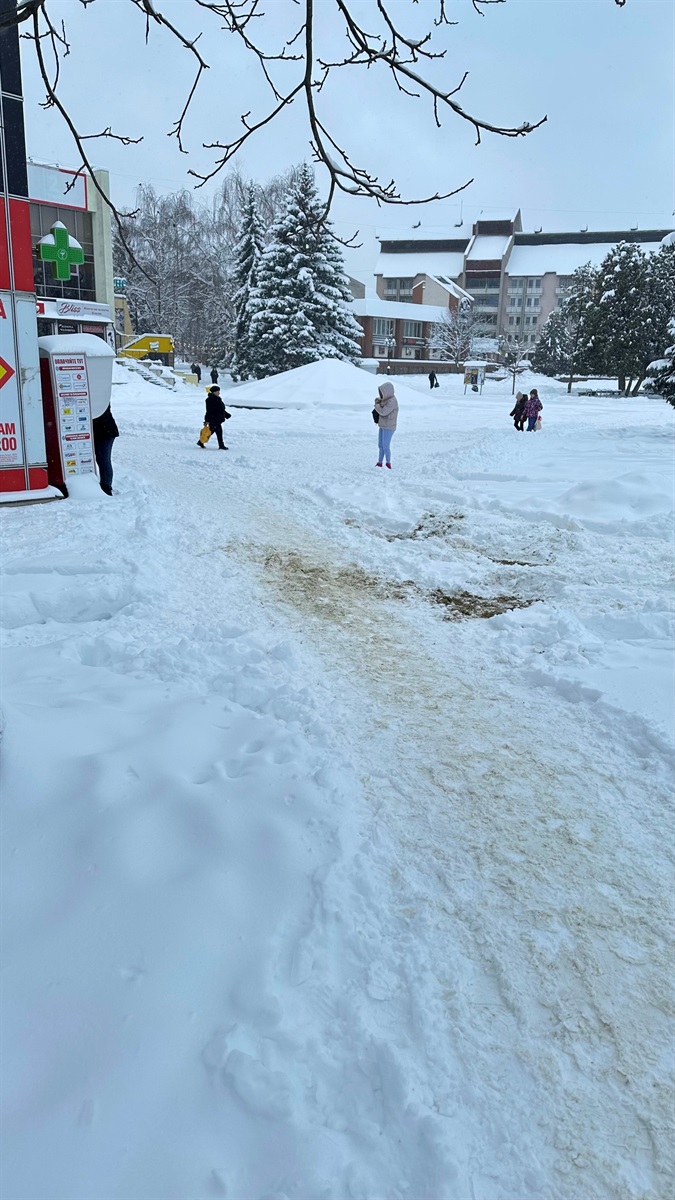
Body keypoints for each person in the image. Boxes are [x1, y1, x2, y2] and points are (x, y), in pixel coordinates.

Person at [92, 403, 119, 496]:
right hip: (105, 431)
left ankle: (106, 488)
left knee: (103, 460)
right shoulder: (101, 396)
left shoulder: (98, 400)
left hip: (105, 432)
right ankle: (105, 486)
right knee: (103, 460)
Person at [373, 380, 398, 468]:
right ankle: (379, 462)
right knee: (380, 445)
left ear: (387, 392)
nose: (381, 394)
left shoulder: (392, 401)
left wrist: (376, 405)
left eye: (382, 392)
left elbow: (383, 412)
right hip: (383, 425)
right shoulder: (386, 399)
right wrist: (378, 402)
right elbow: (381, 404)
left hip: (389, 427)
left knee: (386, 446)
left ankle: (388, 463)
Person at [197, 385, 230, 449]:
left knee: (211, 431)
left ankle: (200, 442)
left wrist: (226, 414)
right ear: (214, 392)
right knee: (219, 432)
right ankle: (221, 445)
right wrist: (207, 420)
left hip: (217, 419)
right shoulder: (210, 400)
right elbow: (210, 411)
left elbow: (220, 409)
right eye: (218, 391)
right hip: (214, 419)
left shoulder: (218, 398)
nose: (219, 393)